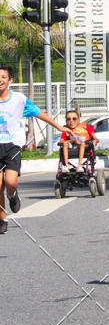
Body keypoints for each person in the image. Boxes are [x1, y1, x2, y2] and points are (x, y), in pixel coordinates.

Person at [0, 63, 64, 234]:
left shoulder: (19, 99)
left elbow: (39, 113)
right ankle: (2, 218)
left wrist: (58, 126)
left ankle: (12, 196)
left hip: (12, 145)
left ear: (10, 80)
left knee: (10, 182)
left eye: (3, 77)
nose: (0, 80)